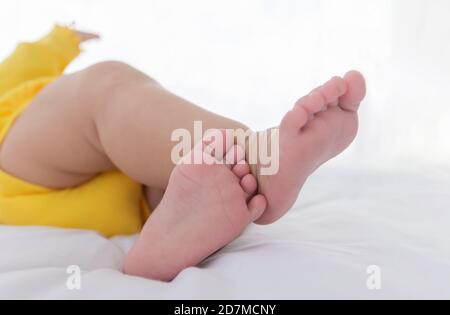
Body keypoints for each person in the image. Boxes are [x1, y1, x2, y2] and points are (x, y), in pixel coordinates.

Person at [0, 25, 366, 281]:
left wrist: (57, 43)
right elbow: (19, 67)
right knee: (102, 91)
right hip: (14, 162)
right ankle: (255, 156)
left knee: (201, 182)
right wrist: (58, 40)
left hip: (113, 201)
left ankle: (166, 240)